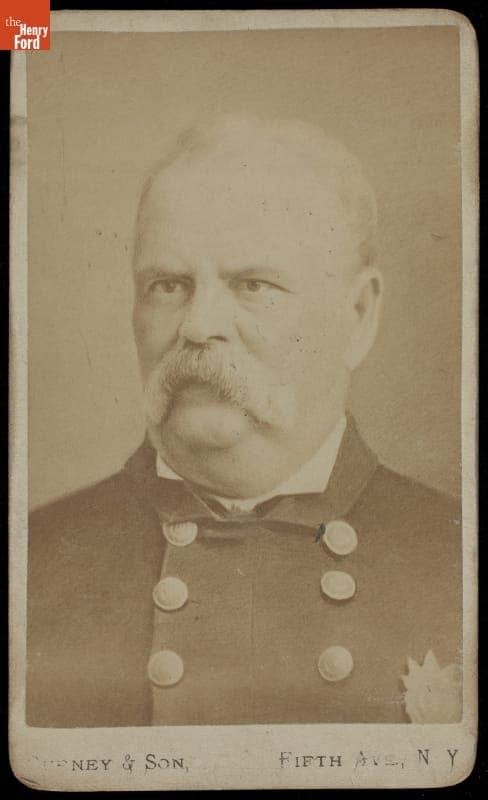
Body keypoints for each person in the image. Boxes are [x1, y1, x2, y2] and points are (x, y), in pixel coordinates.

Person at [26, 114, 462, 728]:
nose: (197, 325)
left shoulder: (454, 558)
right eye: (168, 285)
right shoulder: (33, 563)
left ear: (357, 316)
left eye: (254, 285)